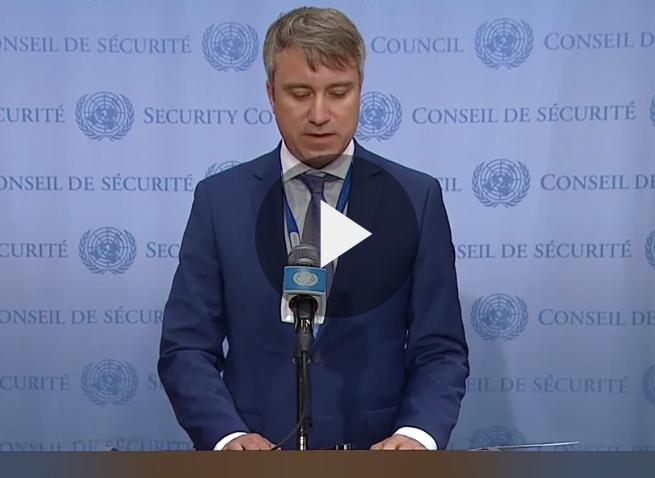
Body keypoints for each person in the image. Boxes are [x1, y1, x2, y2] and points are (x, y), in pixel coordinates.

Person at [159, 7, 469, 451]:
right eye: (300, 94)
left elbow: (440, 348)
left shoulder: (417, 198)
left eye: (338, 92)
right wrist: (228, 437)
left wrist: (416, 435)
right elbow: (186, 347)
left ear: (360, 91)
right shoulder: (220, 201)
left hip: (378, 465)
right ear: (271, 94)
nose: (319, 114)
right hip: (255, 468)